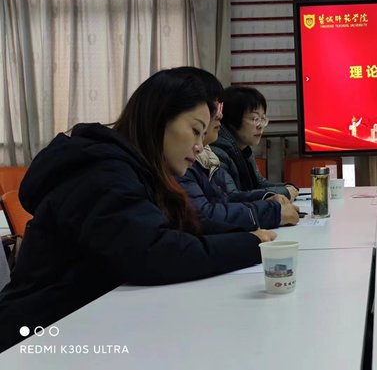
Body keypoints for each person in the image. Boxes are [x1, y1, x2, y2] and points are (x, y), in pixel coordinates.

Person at [0, 67, 276, 352]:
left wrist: (248, 234)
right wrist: (250, 245)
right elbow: (154, 252)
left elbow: (179, 228)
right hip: (35, 338)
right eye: (195, 131)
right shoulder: (102, 171)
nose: (199, 146)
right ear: (159, 118)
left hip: (85, 326)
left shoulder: (135, 171)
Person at [177, 69, 300, 230]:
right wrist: (272, 209)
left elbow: (225, 201)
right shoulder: (212, 152)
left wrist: (272, 199)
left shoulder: (212, 153)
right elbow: (211, 211)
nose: (219, 115)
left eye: (263, 119)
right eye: (255, 118)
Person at [211, 86, 298, 200]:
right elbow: (232, 197)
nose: (260, 126)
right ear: (233, 119)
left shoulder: (243, 149)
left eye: (263, 119)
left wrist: (286, 187)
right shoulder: (218, 153)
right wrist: (284, 192)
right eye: (255, 119)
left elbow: (258, 184)